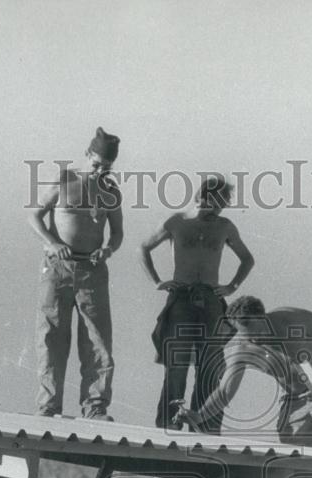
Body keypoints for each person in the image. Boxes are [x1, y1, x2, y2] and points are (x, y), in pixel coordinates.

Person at [140, 175, 255, 432]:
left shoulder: (225, 226)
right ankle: (168, 425)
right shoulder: (177, 222)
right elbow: (144, 248)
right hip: (181, 297)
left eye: (223, 204)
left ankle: (204, 427)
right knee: (177, 364)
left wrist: (232, 286)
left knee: (211, 365)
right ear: (201, 197)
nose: (218, 210)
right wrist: (157, 281)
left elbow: (247, 259)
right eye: (215, 203)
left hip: (212, 301)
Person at [177, 295, 312, 446]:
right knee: (294, 456)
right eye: (249, 338)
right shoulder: (243, 351)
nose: (257, 340)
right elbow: (225, 392)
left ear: (263, 317)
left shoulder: (288, 319)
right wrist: (200, 415)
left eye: (258, 333)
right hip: (296, 399)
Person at [29, 127, 123, 420]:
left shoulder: (110, 192)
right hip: (57, 268)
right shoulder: (63, 180)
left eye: (105, 168)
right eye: (96, 165)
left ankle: (95, 406)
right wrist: (53, 242)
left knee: (97, 340)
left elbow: (118, 233)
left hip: (92, 270)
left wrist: (107, 250)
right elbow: (34, 215)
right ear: (87, 155)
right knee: (52, 337)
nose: (99, 172)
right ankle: (48, 406)